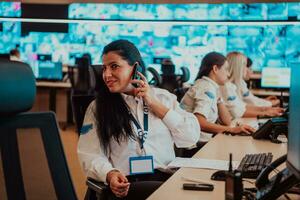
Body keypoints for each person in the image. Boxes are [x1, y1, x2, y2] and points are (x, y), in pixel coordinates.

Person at [77, 39, 200, 199]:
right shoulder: (98, 107)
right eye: (105, 68)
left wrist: (154, 104)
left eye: (114, 66)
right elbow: (89, 154)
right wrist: (110, 174)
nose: (107, 75)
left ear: (135, 68)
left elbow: (189, 138)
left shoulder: (163, 98)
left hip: (166, 180)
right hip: (128, 186)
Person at [180, 52, 255, 142]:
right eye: (226, 69)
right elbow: (199, 122)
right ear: (215, 69)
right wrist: (233, 130)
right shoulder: (206, 88)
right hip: (196, 145)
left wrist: (219, 99)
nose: (228, 74)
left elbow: (227, 121)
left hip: (204, 141)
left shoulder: (212, 87)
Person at [220, 52, 283, 119]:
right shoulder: (227, 87)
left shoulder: (233, 85)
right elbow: (237, 112)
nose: (247, 69)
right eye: (244, 65)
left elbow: (243, 106)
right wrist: (266, 111)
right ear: (238, 67)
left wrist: (266, 109)